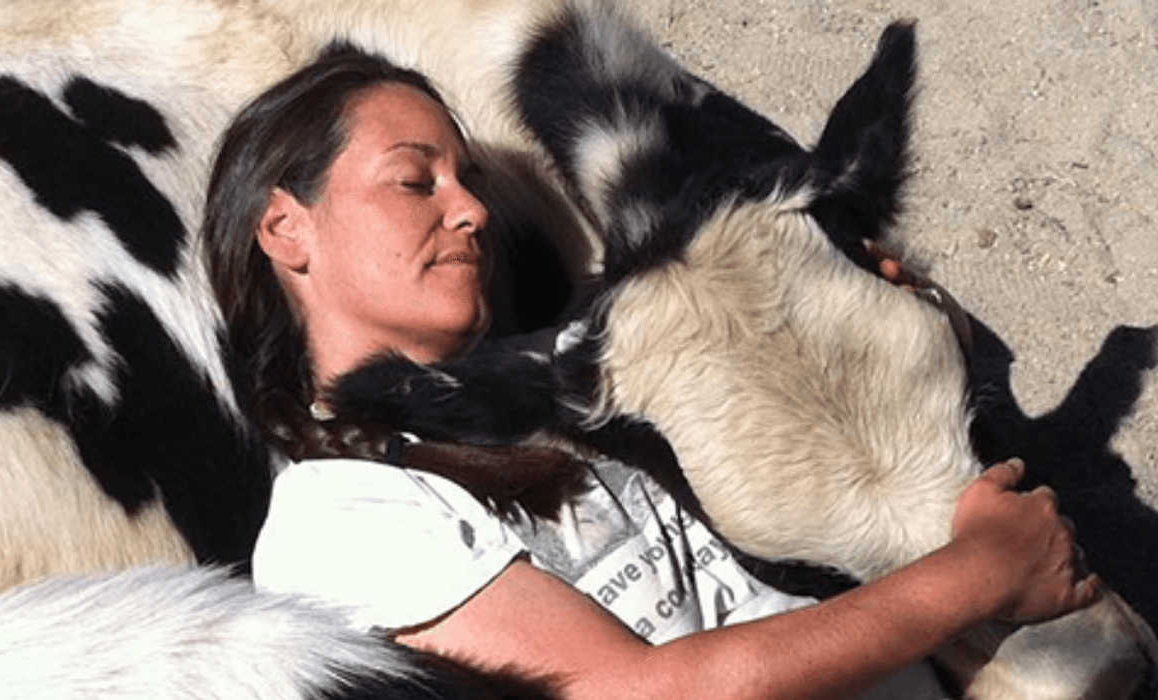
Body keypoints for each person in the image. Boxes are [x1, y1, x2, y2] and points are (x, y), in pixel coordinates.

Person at [202, 46, 1101, 700]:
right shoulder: (333, 521)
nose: (470, 206)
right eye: (416, 181)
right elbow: (632, 693)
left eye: (467, 177)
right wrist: (974, 577)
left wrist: (878, 309)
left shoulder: (567, 384)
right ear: (286, 230)